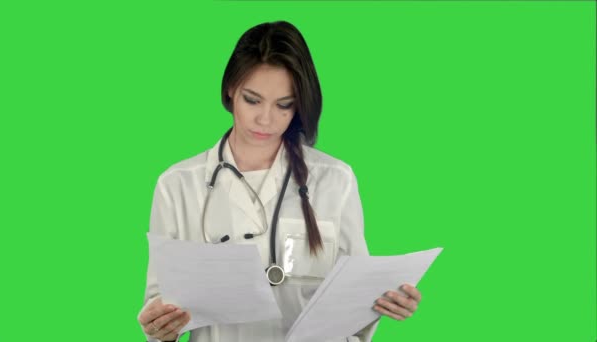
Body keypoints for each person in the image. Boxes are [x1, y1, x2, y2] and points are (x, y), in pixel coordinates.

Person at [137, 20, 423, 342]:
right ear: (230, 89)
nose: (265, 119)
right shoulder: (177, 187)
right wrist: (159, 326)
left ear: (299, 104)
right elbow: (159, 307)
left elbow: (354, 302)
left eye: (284, 105)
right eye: (252, 100)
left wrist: (382, 303)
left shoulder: (335, 181)